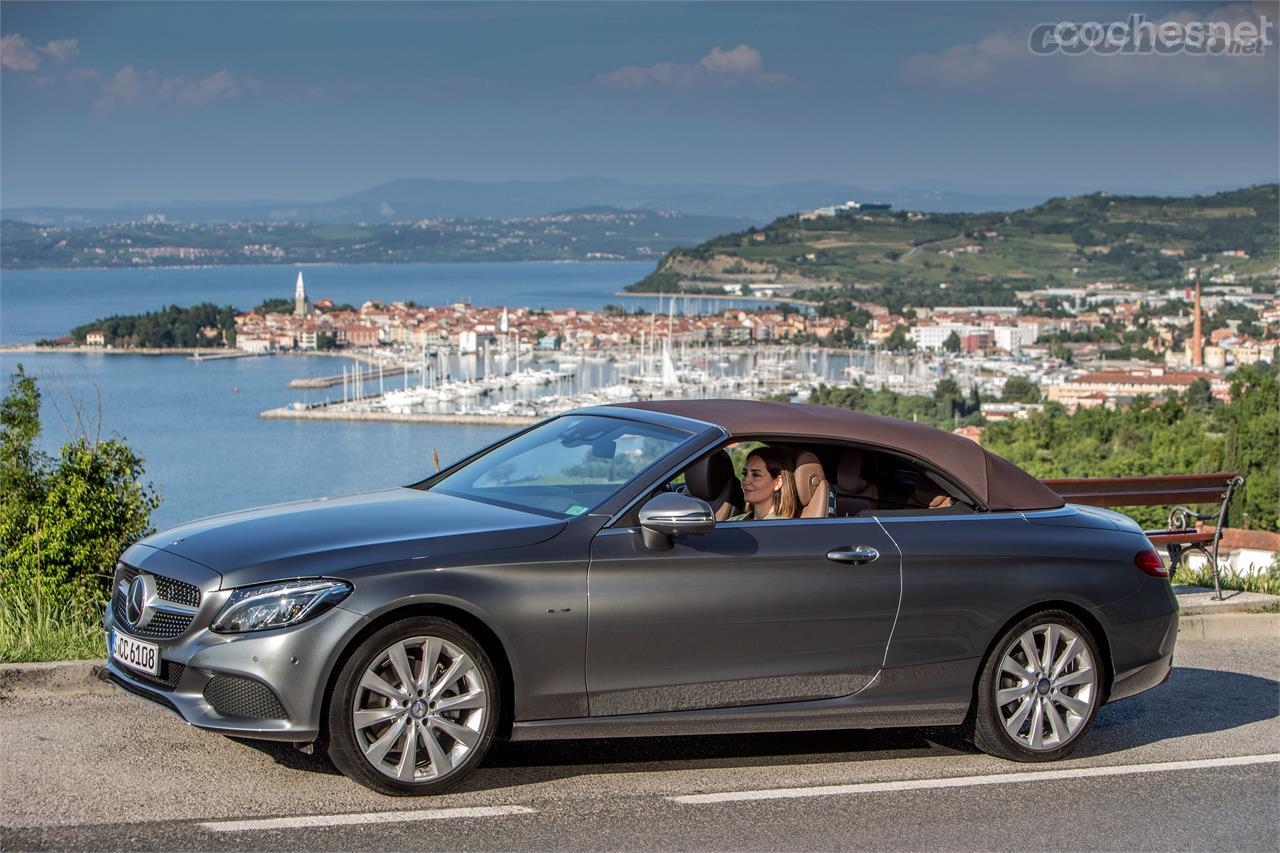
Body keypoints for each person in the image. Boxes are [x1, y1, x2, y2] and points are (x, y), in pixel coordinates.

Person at [727, 446, 799, 521]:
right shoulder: (734, 522)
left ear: (778, 482)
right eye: (745, 474)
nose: (745, 480)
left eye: (756, 475)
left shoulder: (782, 527)